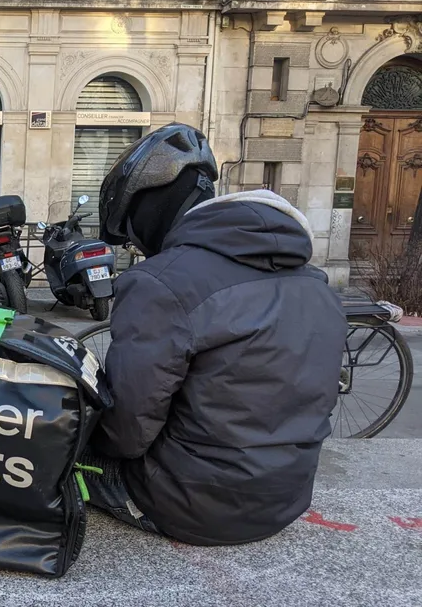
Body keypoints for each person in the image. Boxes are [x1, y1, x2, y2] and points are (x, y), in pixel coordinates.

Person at [78, 123, 348, 546]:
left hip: (193, 507)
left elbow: (127, 431)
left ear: (148, 210)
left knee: (47, 457)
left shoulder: (160, 281)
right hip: (285, 500)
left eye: (132, 233)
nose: (137, 247)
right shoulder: (314, 282)